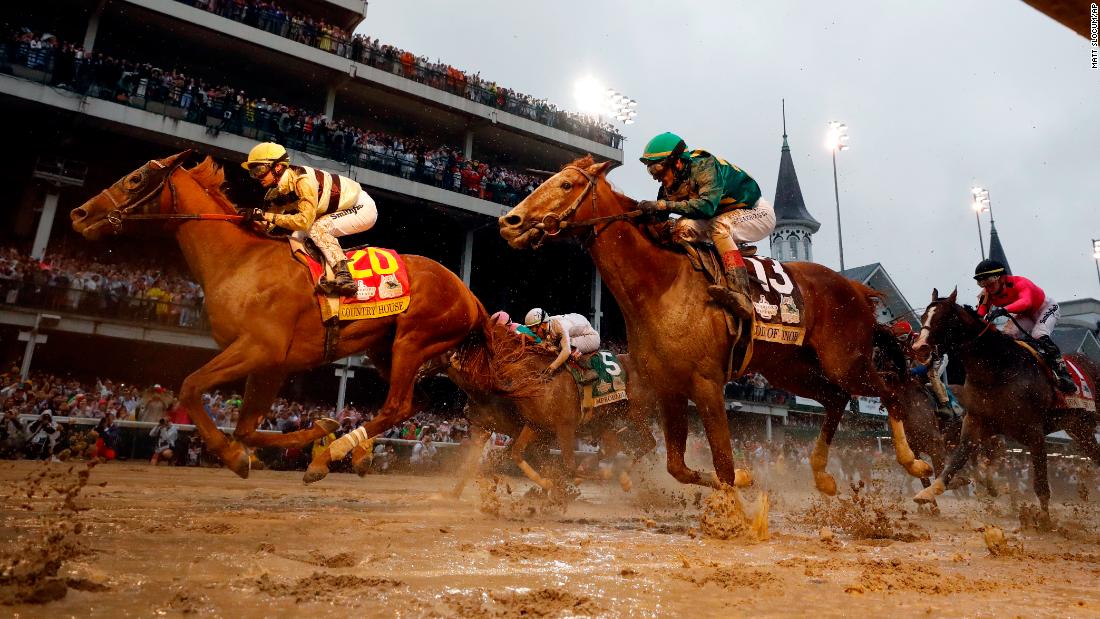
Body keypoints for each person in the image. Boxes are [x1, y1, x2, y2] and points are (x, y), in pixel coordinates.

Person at [636, 132, 776, 319]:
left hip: (756, 212)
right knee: (679, 229)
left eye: (657, 169)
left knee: (719, 227)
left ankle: (742, 294)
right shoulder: (668, 187)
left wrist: (663, 205)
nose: (655, 177)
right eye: (650, 171)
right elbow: (659, 221)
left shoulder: (703, 165)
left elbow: (707, 207)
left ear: (677, 162)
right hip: (722, 215)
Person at [240, 142, 379, 296]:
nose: (257, 177)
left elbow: (304, 221)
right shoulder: (274, 193)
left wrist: (267, 216)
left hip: (361, 207)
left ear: (277, 167)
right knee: (295, 239)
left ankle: (345, 277)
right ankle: (317, 277)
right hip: (334, 211)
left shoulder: (302, 180)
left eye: (259, 170)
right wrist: (247, 219)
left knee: (317, 229)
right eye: (253, 172)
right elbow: (266, 224)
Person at [974, 258, 1076, 393]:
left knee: (1038, 334)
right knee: (1006, 336)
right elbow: (980, 313)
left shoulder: (1020, 282)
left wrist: (1004, 310)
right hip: (1025, 314)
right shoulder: (986, 294)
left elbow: (1026, 302)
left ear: (1002, 278)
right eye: (982, 283)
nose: (987, 287)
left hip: (1045, 308)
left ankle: (1063, 373)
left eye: (990, 281)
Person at [523, 308, 600, 372]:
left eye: (534, 330)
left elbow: (566, 351)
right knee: (552, 345)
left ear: (543, 325)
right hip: (578, 330)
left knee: (560, 346)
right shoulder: (548, 324)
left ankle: (586, 370)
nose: (534, 333)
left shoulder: (559, 326)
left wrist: (551, 368)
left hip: (591, 338)